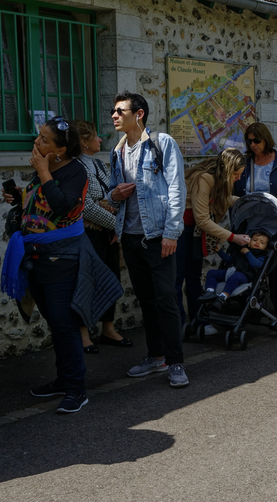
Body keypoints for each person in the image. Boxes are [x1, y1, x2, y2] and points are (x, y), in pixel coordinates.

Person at [2, 117, 121, 414]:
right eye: (38, 136)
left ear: (61, 150)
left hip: (63, 258)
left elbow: (64, 207)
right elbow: (41, 202)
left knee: (64, 322)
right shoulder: (44, 169)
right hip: (37, 256)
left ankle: (76, 389)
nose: (36, 142)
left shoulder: (75, 171)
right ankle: (63, 379)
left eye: (44, 139)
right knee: (54, 322)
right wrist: (19, 196)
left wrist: (43, 173)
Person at [106, 92, 188, 389]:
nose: (114, 115)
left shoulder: (161, 143)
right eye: (113, 111)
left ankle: (175, 362)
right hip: (130, 237)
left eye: (120, 111)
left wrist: (171, 233)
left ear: (138, 114)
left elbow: (177, 189)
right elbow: (113, 193)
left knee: (166, 299)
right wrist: (114, 195)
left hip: (157, 236)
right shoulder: (117, 151)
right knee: (147, 300)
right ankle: (156, 356)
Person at [233, 122, 277, 318]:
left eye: (257, 140)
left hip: (273, 220)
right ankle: (249, 303)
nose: (253, 145)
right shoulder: (247, 162)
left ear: (266, 139)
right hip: (249, 220)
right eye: (249, 141)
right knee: (246, 261)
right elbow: (236, 189)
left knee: (274, 263)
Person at [74, 120, 131, 352]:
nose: (100, 140)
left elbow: (111, 195)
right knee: (86, 281)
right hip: (88, 235)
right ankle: (83, 333)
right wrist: (117, 225)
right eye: (95, 136)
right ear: (83, 142)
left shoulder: (98, 163)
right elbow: (86, 207)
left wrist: (112, 216)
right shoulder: (76, 167)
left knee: (111, 278)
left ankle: (108, 328)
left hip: (108, 234)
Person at [180, 148, 247, 331]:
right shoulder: (205, 178)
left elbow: (222, 198)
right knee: (178, 279)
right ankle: (178, 326)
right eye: (235, 174)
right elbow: (202, 219)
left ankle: (199, 321)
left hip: (192, 231)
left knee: (193, 277)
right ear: (227, 170)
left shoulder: (216, 178)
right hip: (182, 230)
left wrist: (244, 200)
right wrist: (233, 237)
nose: (238, 178)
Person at [201, 232, 270, 301]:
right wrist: (219, 251)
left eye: (262, 242)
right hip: (230, 271)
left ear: (266, 248)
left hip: (245, 275)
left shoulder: (262, 256)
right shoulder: (241, 250)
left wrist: (247, 252)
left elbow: (256, 265)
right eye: (255, 240)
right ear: (249, 243)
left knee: (235, 276)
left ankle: (223, 297)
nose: (257, 242)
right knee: (212, 273)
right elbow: (230, 261)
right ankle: (210, 292)